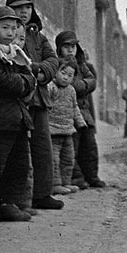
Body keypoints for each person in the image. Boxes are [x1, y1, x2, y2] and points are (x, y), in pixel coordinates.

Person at [0, 7, 40, 221]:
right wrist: (22, 83)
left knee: (19, 165)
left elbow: (30, 77)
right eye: (5, 27)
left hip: (18, 119)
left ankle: (9, 204)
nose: (11, 32)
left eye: (14, 28)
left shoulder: (16, 53)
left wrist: (22, 82)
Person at [5, 0, 62, 210]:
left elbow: (53, 60)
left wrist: (39, 71)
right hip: (19, 99)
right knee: (19, 152)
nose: (23, 12)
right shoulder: (7, 34)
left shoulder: (38, 36)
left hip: (39, 98)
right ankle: (18, 199)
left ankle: (42, 194)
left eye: (27, 7)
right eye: (18, 8)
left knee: (42, 148)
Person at [56, 31, 105, 189]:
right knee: (73, 148)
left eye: (73, 46)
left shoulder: (83, 66)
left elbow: (92, 81)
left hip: (85, 113)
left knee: (89, 146)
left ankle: (92, 176)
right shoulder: (59, 65)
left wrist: (79, 86)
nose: (70, 50)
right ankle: (77, 178)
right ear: (59, 49)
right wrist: (80, 87)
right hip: (68, 113)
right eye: (66, 47)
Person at [46, 57, 87, 194]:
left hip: (68, 131)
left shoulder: (71, 90)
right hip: (53, 131)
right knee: (54, 160)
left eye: (70, 75)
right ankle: (55, 184)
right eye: (63, 73)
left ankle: (66, 182)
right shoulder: (51, 87)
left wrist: (80, 122)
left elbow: (75, 107)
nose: (65, 78)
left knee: (68, 159)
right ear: (56, 71)